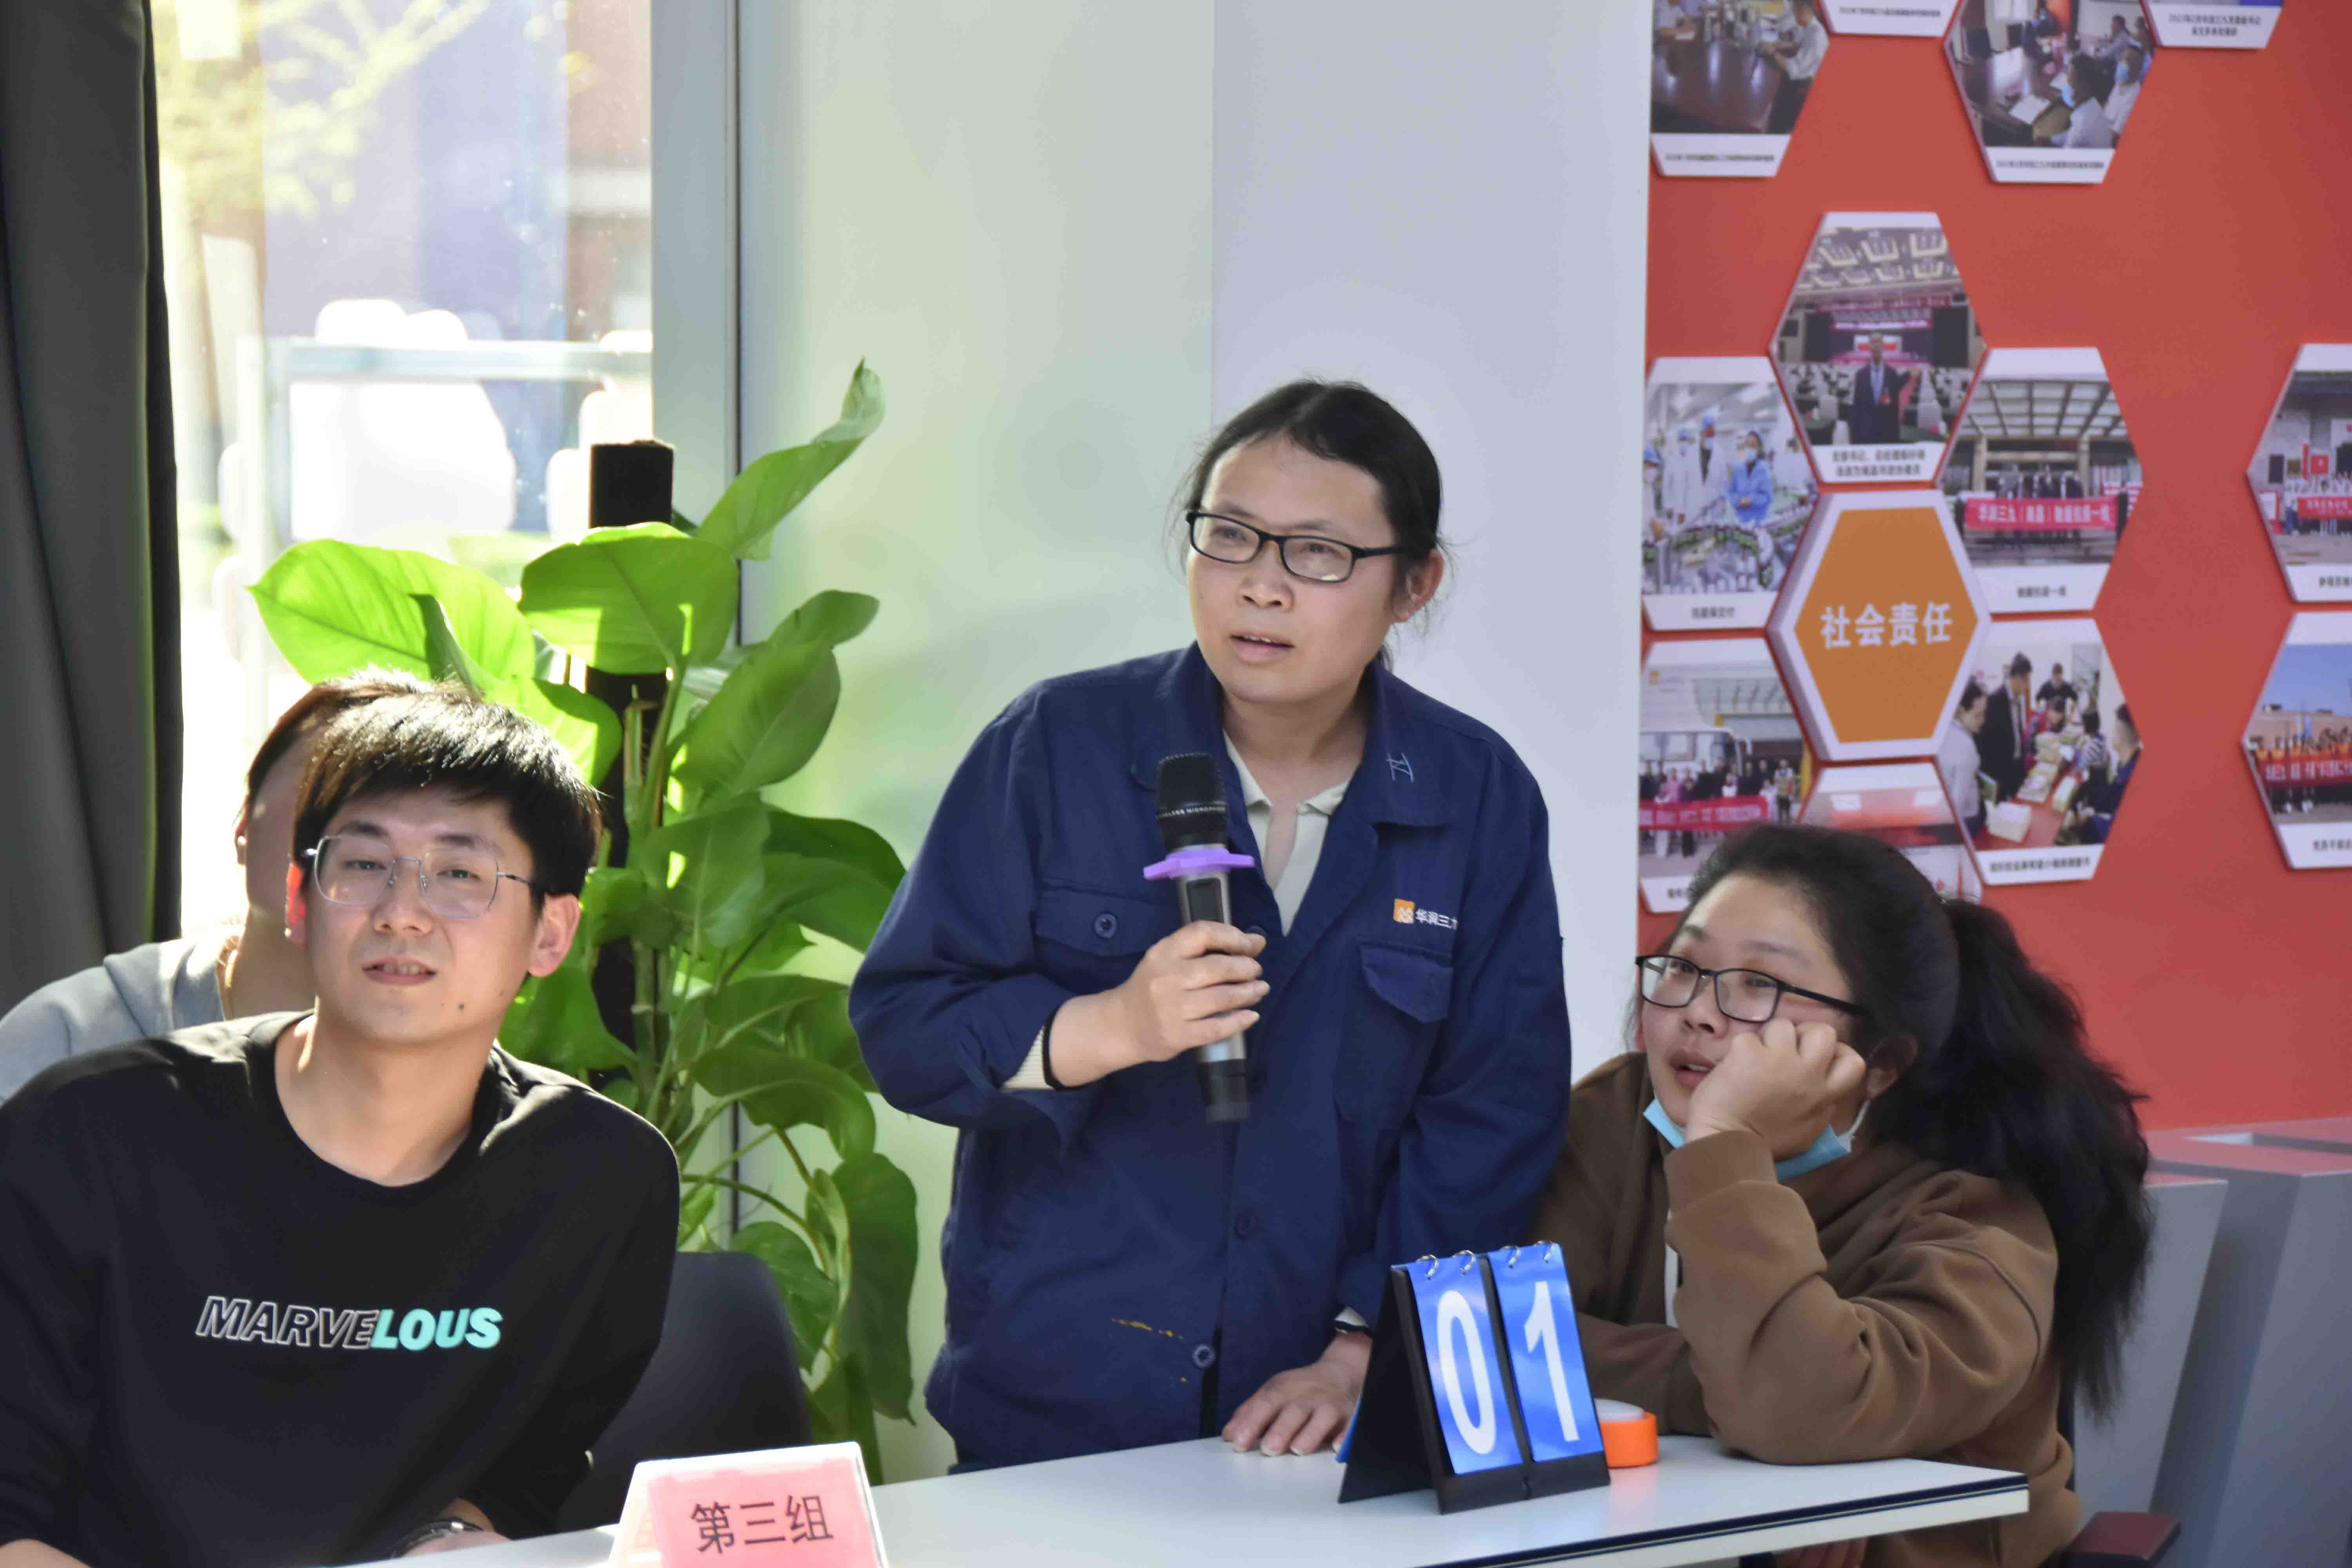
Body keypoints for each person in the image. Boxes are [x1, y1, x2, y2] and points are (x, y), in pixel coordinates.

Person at [849, 380, 1573, 1469]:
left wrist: (1365, 1347)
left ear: (1414, 584)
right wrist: (1110, 1026)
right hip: (1059, 1414)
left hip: (1317, 1427)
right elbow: (905, 1027)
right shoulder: (1056, 747)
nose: (1260, 586)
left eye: (1317, 554)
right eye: (1229, 536)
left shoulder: (1478, 797)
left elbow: (1495, 1112)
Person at [0, 686, 679, 1566]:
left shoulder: (600, 1178)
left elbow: (534, 1458)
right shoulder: (89, 1135)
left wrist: (457, 1531)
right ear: (299, 897)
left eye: (460, 874)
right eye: (363, 864)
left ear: (551, 932)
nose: (402, 910)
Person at [1534, 825, 2151, 1568]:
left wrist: (1726, 1144)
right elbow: (1494, 1343)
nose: (1698, 1010)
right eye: (1685, 966)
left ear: (1880, 1063)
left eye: (1759, 984)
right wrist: (1720, 1387)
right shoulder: (1616, 1117)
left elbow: (1796, 1409)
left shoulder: (1979, 1223)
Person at [0, 671, 434, 1102]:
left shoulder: (458, 1076)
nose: (355, 839)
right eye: (323, 788)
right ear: (244, 825)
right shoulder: (68, 1039)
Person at [2076, 704, 2140, 844]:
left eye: (2114, 729)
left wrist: (2092, 819)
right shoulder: (2127, 765)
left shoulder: (2128, 779)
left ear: (2120, 736)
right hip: (2102, 792)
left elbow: (2080, 768)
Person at [1764, 0, 1828, 135]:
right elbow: (1800, 44)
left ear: (1801, 12)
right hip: (1804, 82)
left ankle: (1779, 132)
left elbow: (1794, 70)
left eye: (1795, 12)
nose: (1793, 15)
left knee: (1773, 103)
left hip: (1805, 90)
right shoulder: (1813, 28)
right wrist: (1781, 45)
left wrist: (1773, 53)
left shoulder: (1817, 37)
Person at [1977, 654, 2034, 802]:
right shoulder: (1994, 700)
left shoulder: (2018, 700)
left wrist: (2023, 769)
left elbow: (2017, 733)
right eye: (2026, 681)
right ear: (2016, 678)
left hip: (2016, 768)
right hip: (1999, 772)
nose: (2027, 686)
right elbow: (1984, 744)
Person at [1939, 679, 1989, 839]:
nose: (1982, 721)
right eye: (1977, 716)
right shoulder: (1966, 746)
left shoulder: (1943, 731)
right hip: (1966, 819)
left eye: (1984, 714)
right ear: (1960, 711)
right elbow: (1958, 802)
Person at [1846, 338, 1911, 446]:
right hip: (1865, 433)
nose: (1876, 346)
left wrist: (1895, 437)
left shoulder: (1892, 374)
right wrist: (1854, 438)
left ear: (1883, 347)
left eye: (1878, 343)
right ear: (1869, 347)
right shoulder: (1860, 375)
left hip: (1886, 433)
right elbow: (1857, 407)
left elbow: (1895, 408)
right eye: (1873, 343)